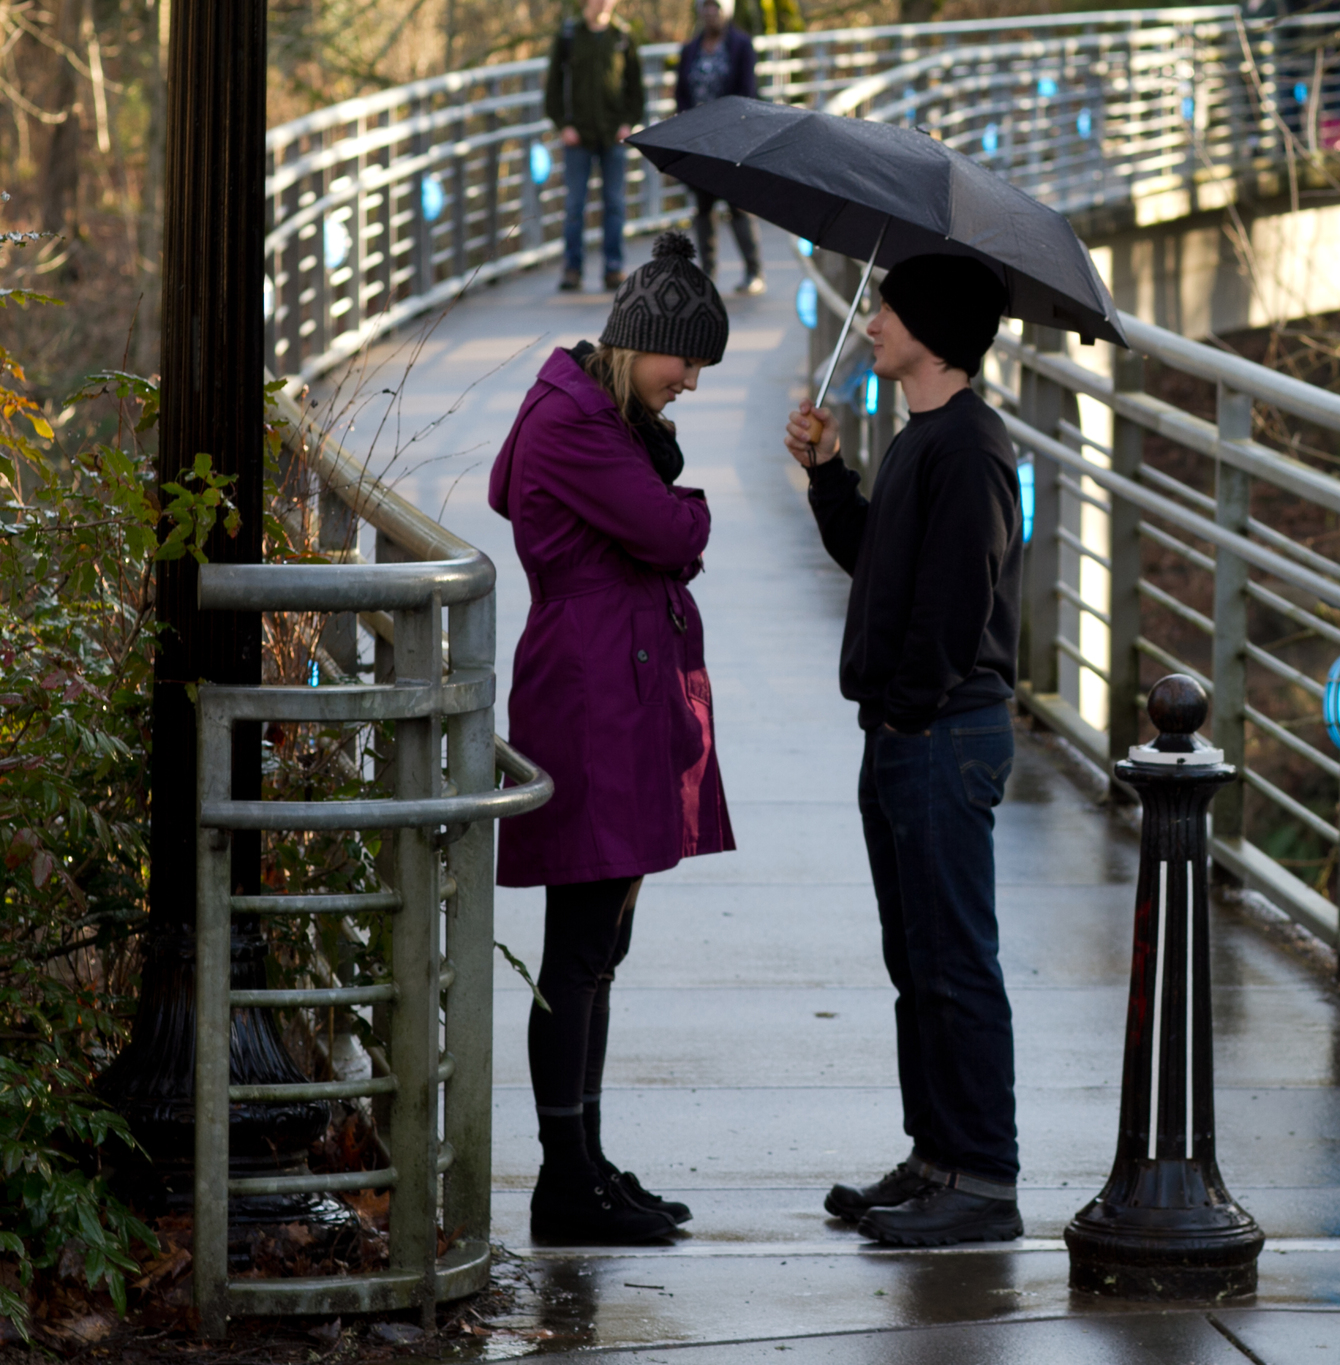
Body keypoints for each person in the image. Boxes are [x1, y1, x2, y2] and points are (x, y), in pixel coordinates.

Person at [491, 231, 736, 1243]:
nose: (689, 382)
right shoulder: (576, 425)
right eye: (683, 362)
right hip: (593, 700)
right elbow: (677, 537)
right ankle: (564, 1182)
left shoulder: (598, 416)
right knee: (581, 947)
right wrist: (669, 487)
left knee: (600, 948)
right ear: (638, 342)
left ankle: (584, 1161)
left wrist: (652, 458)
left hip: (615, 690)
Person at [780, 255, 1024, 1247]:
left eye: (886, 309)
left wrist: (908, 713)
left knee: (954, 960)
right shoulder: (925, 437)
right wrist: (828, 474)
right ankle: (934, 1158)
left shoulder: (969, 448)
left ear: (932, 328)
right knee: (914, 957)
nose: (869, 324)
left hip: (941, 733)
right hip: (905, 731)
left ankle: (981, 1180)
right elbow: (878, 561)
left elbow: (956, 606)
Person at [545, 0, 646, 292]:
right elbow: (552, 86)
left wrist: (629, 122)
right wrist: (563, 125)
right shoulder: (568, 36)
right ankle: (572, 268)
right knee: (575, 205)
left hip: (613, 135)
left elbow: (636, 88)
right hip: (578, 136)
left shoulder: (623, 37)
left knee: (614, 204)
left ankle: (613, 268)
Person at [675, 0, 765, 295]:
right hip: (699, 140)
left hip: (731, 138)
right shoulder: (691, 48)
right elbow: (681, 93)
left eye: (716, 6)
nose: (710, 12)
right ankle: (708, 271)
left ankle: (754, 270)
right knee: (703, 207)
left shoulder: (740, 45)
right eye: (706, 7)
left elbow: (748, 91)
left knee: (738, 205)